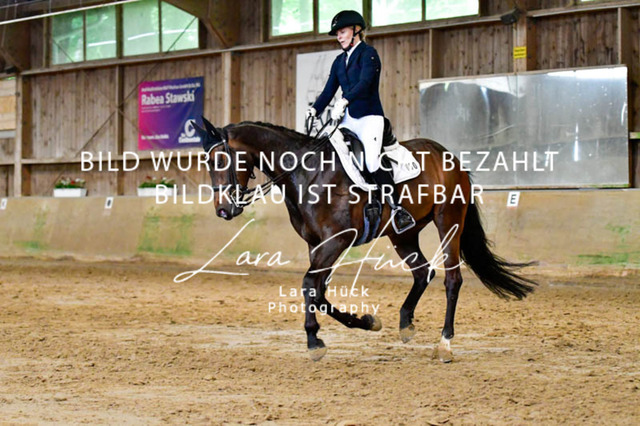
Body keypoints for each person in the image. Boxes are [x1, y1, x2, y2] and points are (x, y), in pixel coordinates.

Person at [306, 10, 415, 233]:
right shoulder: (339, 61)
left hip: (369, 118)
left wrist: (344, 100)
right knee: (331, 153)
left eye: (342, 32)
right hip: (348, 119)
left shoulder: (368, 54)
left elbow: (365, 83)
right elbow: (328, 91)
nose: (339, 37)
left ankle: (397, 209)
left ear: (356, 30)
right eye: (337, 34)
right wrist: (314, 110)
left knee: (372, 161)